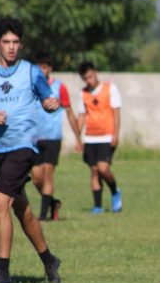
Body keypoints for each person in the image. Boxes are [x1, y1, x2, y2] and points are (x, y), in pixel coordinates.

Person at [0, 17, 62, 283]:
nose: (11, 47)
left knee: (0, 204)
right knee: (23, 211)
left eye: (16, 42)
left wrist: (52, 105)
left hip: (23, 146)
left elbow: (48, 102)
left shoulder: (32, 72)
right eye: (6, 42)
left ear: (20, 44)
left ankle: (3, 272)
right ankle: (49, 260)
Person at [31, 51, 82, 221]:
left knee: (48, 173)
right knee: (36, 177)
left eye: (44, 68)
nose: (42, 71)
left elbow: (69, 112)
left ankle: (43, 215)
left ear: (50, 69)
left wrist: (78, 138)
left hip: (53, 137)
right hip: (33, 138)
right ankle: (52, 203)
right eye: (38, 68)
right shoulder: (31, 87)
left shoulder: (59, 87)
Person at [77, 61, 123, 213]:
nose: (88, 80)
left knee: (103, 169)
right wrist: (78, 138)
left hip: (107, 136)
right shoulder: (83, 93)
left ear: (95, 72)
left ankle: (115, 190)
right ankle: (98, 206)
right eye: (85, 78)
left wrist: (116, 134)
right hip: (90, 138)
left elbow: (116, 113)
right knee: (94, 171)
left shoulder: (110, 88)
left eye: (90, 76)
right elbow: (82, 116)